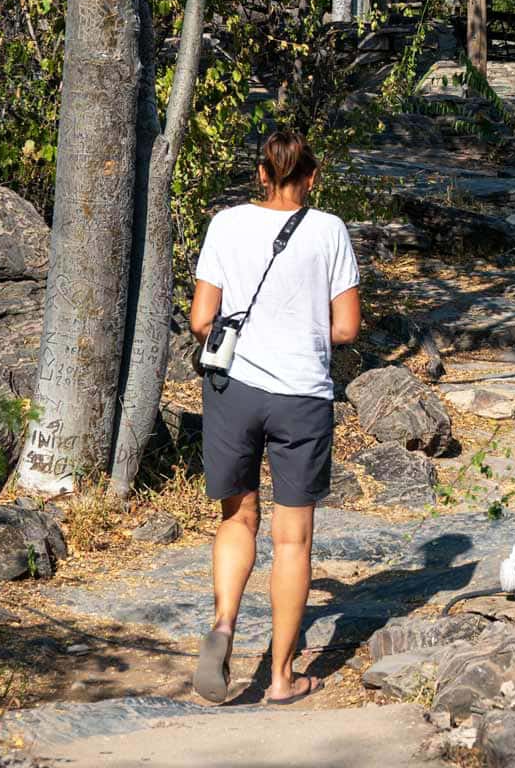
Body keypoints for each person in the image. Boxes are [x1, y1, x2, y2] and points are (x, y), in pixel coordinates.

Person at [187, 130, 360, 704]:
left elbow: (200, 318)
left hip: (233, 389)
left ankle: (223, 627)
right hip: (301, 396)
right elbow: (346, 329)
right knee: (293, 540)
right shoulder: (329, 230)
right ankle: (282, 679)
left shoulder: (225, 223)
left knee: (237, 519)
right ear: (311, 177)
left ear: (262, 173)